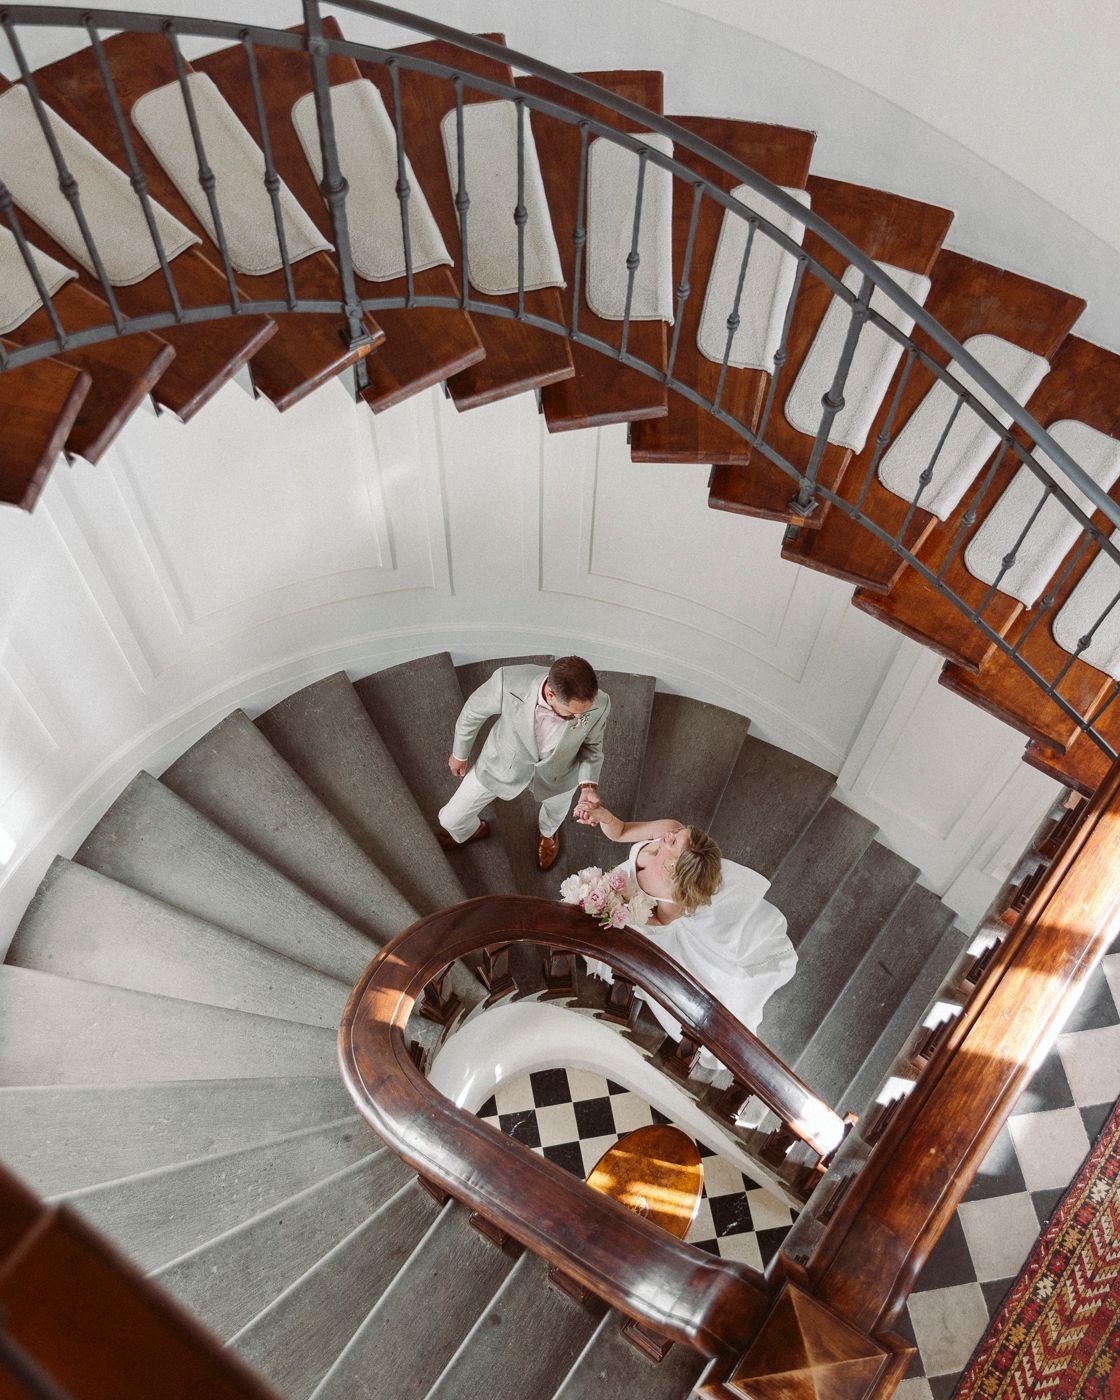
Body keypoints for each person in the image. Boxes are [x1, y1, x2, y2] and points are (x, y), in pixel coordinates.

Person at [575, 792, 796, 1038]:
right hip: (622, 887)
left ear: (673, 866)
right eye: (679, 834)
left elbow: (661, 920)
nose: (670, 835)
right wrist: (605, 817)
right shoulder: (669, 829)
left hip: (638, 910)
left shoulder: (672, 895)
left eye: (673, 843)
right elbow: (621, 831)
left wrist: (620, 910)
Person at [438, 657, 610, 871]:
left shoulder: (601, 702)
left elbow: (592, 746)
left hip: (561, 774)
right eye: (574, 713)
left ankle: (548, 834)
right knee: (450, 819)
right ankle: (471, 830)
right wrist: (459, 754)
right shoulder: (508, 681)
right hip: (501, 764)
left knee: (555, 814)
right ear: (550, 695)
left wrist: (588, 786)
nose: (580, 716)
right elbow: (473, 712)